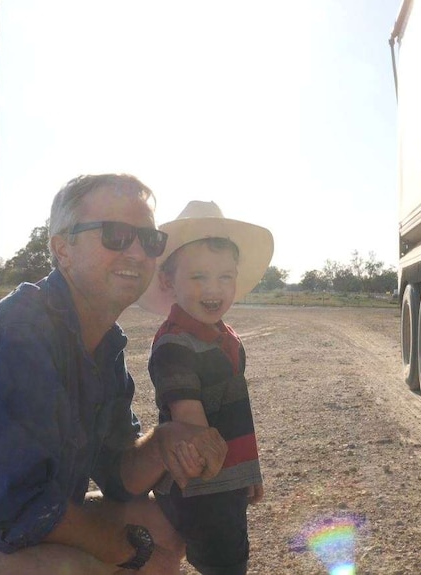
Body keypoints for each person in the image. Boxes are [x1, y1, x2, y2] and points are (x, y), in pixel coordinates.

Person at [0, 175, 228, 574]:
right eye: (115, 235)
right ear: (63, 249)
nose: (136, 252)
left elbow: (117, 475)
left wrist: (165, 441)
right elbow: (17, 506)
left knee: (167, 529)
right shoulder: (24, 328)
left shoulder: (106, 345)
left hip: (16, 517)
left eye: (149, 240)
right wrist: (121, 550)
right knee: (91, 566)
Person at [137, 201, 274, 574]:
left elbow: (235, 417)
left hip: (223, 486)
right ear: (168, 281)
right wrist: (225, 483)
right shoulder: (175, 346)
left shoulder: (225, 337)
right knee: (226, 566)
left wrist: (248, 472)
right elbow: (194, 430)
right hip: (202, 490)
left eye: (225, 277)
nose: (214, 289)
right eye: (198, 277)